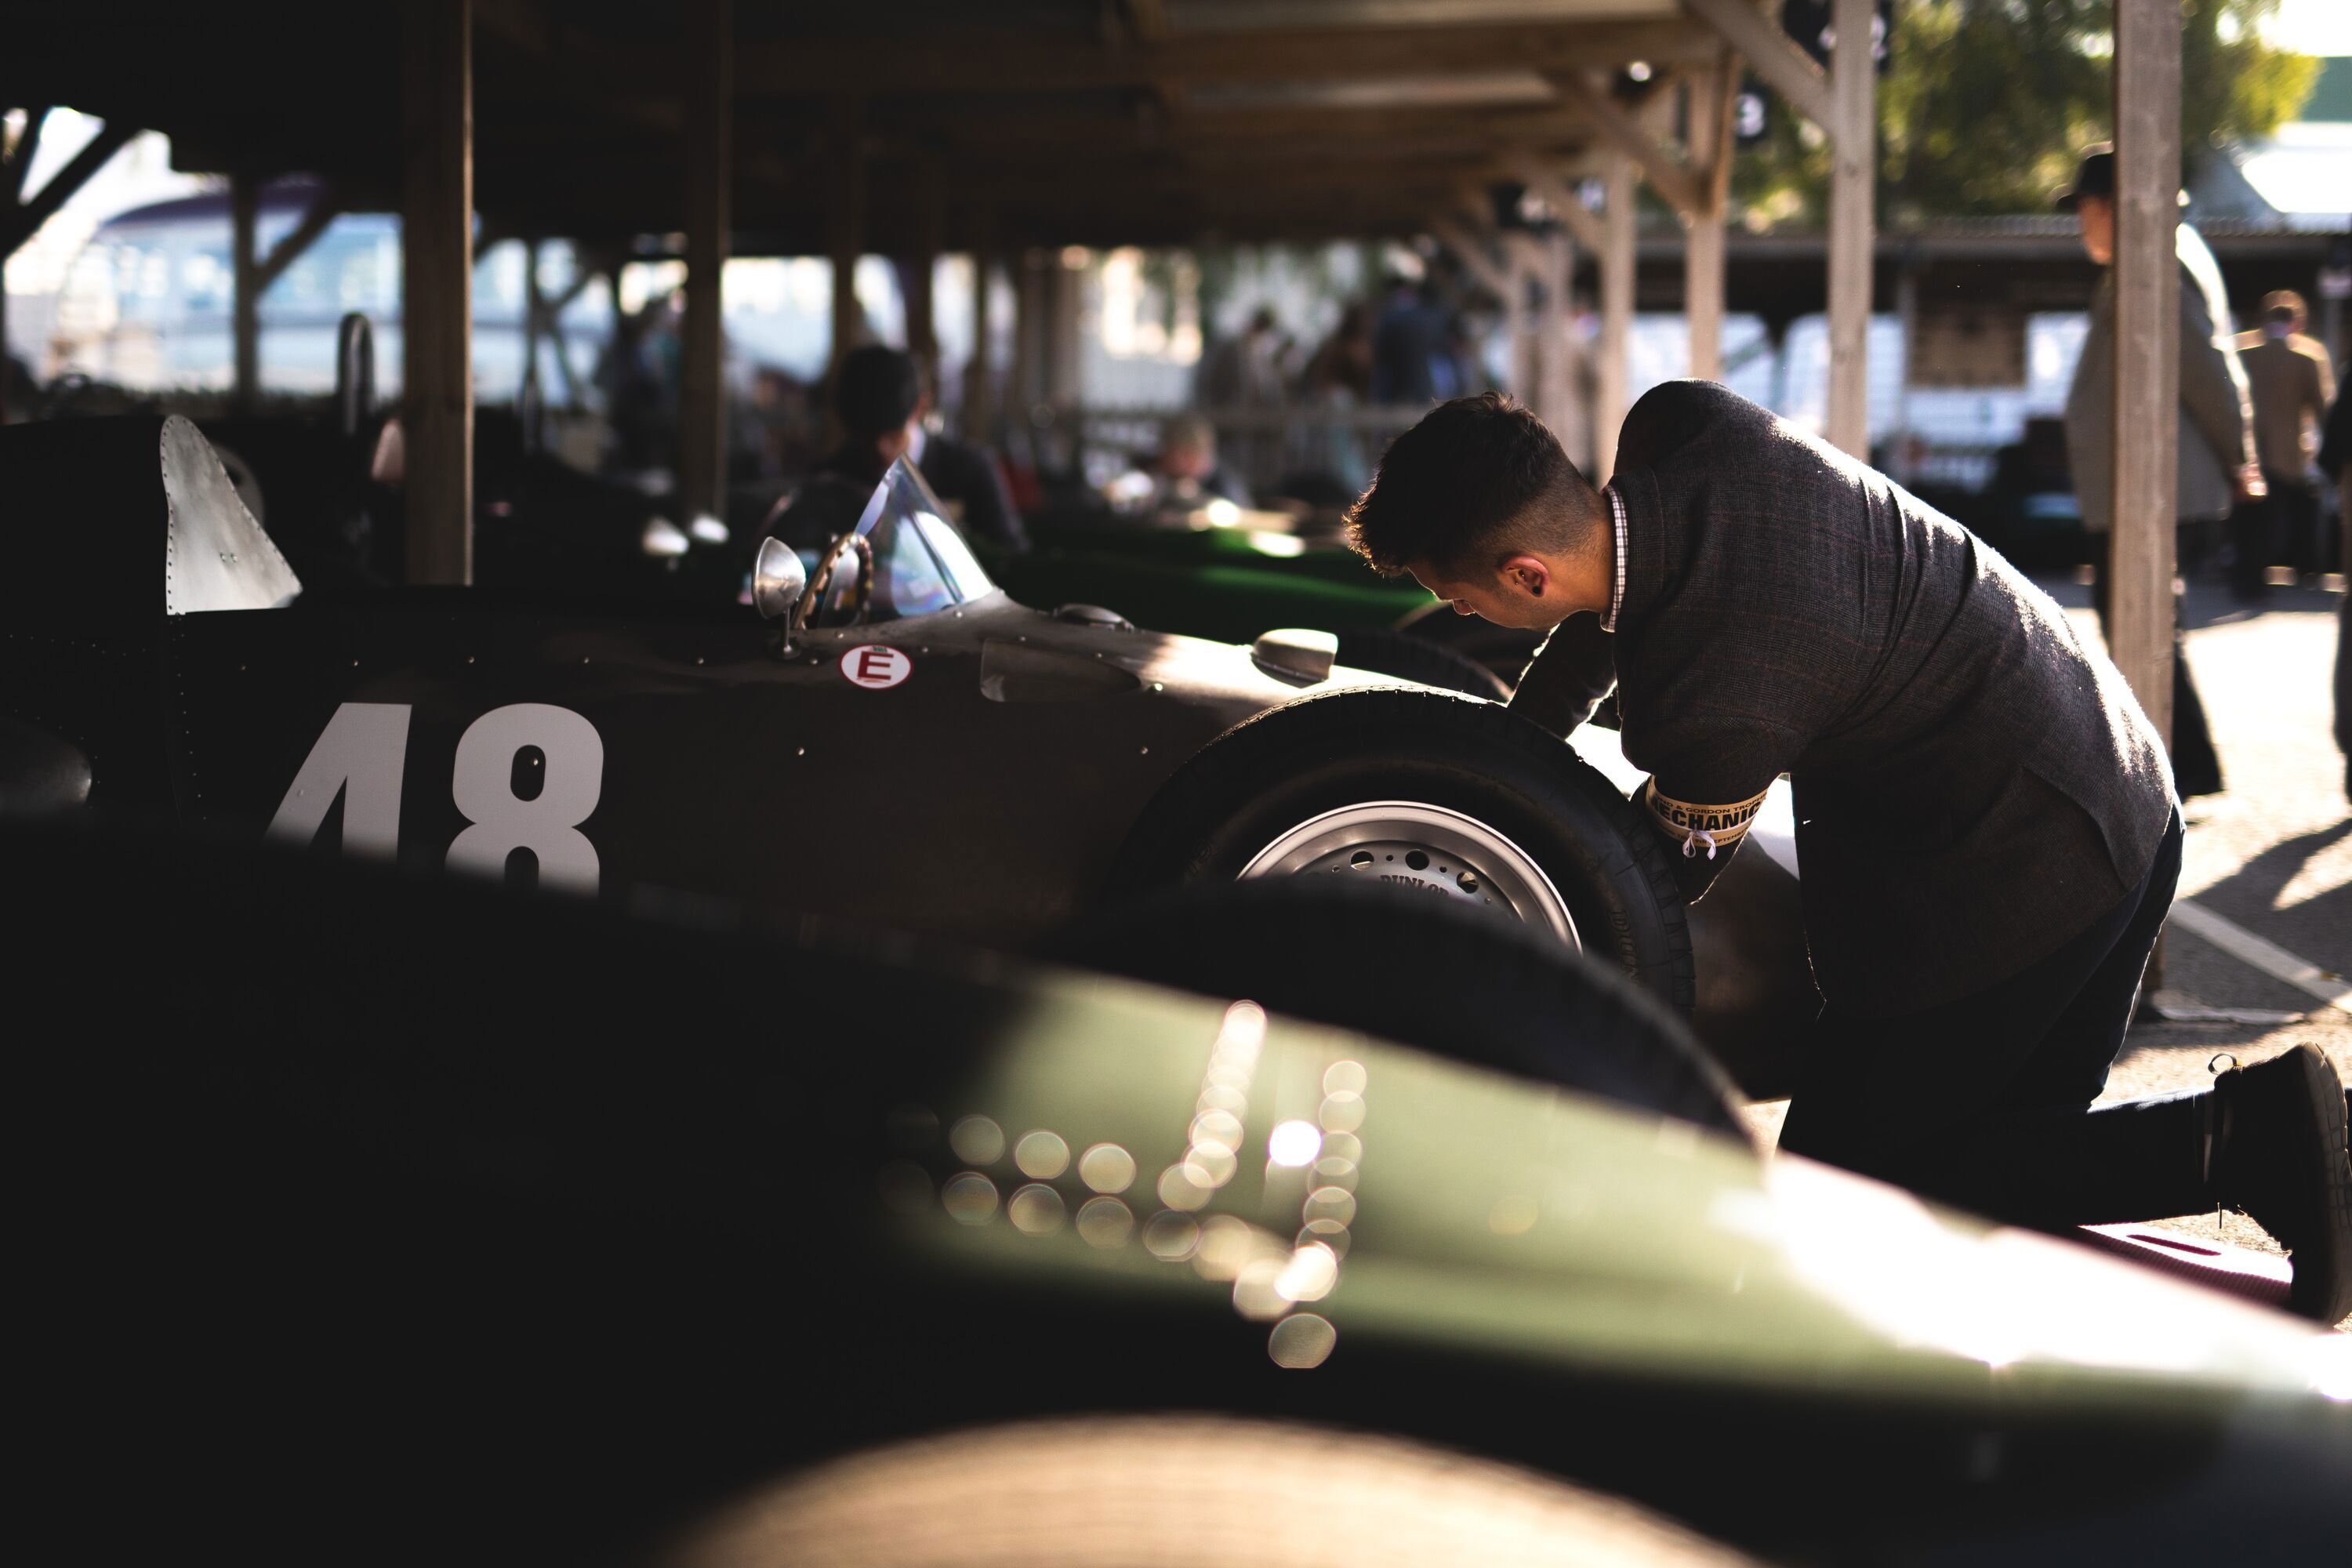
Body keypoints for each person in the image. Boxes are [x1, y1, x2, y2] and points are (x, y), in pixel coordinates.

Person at [1342, 387, 2352, 1322]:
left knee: (1841, 1208)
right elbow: (1626, 592)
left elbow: (1641, 890)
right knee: (1982, 1169)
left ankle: (2251, 1141)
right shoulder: (1684, 430)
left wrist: (1484, 962)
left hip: (2027, 864)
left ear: (1523, 573)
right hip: (2112, 781)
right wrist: (1513, 758)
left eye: (1464, 601)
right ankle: (2242, 1140)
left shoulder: (1724, 702)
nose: (1463, 618)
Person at [2058, 145, 2253, 798]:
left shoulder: (2157, 267)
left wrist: (2240, 455)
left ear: (2112, 208)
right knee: (2145, 627)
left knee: (2141, 627)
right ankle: (2184, 768)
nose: (2081, 226)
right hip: (2140, 491)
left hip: (2152, 492)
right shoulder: (2153, 263)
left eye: (2084, 210)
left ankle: (2178, 771)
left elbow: (2205, 370)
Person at [816, 345, 1025, 550]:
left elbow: (1011, 556)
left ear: (920, 407)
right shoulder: (831, 478)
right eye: (867, 438)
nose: (880, 449)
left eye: (893, 436)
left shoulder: (969, 469)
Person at [2234, 291, 2337, 594]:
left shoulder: (2242, 350)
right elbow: (2322, 407)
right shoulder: (2308, 355)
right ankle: (2300, 571)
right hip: (2289, 452)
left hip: (2246, 451)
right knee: (2286, 518)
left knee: (2248, 521)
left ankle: (2246, 575)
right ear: (2298, 321)